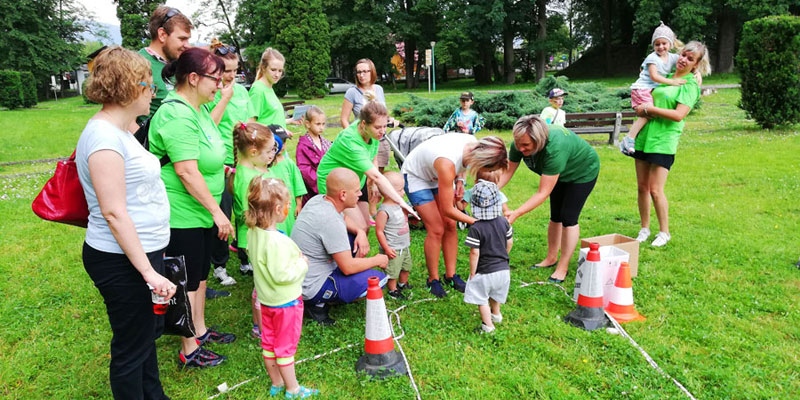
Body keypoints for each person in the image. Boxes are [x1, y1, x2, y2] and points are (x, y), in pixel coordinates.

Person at [76, 46, 174, 399]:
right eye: (151, 85)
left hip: (141, 253)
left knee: (144, 337)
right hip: (122, 261)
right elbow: (114, 212)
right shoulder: (103, 139)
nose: (155, 92)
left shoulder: (118, 130)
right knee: (131, 348)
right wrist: (148, 273)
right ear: (134, 87)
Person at [148, 47, 236, 368]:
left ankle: (199, 330)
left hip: (198, 210)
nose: (220, 83)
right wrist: (217, 211)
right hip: (182, 212)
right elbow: (186, 171)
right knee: (184, 280)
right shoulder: (176, 113)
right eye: (216, 78)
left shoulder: (197, 108)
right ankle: (189, 347)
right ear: (194, 78)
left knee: (199, 276)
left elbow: (206, 142)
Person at [401, 134, 508, 297]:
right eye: (490, 169)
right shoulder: (447, 163)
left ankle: (450, 275)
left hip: (439, 174)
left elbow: (463, 165)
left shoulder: (472, 146)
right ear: (482, 162)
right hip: (417, 176)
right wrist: (478, 222)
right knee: (436, 229)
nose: (489, 173)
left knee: (450, 225)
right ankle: (433, 279)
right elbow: (447, 209)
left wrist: (460, 181)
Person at [499, 116, 599, 284]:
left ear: (539, 142)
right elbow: (507, 172)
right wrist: (492, 188)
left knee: (568, 218)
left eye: (526, 146)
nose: (521, 149)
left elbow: (542, 193)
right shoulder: (519, 143)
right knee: (556, 216)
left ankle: (563, 266)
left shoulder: (555, 149)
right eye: (519, 144)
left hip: (582, 172)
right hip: (558, 174)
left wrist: (516, 213)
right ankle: (551, 258)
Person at [631, 40, 711, 247]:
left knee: (656, 190)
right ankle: (644, 228)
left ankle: (664, 232)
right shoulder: (664, 76)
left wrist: (649, 109)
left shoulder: (690, 85)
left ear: (696, 65)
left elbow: (678, 115)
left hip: (663, 141)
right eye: (683, 55)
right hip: (645, 137)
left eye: (690, 59)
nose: (684, 60)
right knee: (642, 187)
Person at [245, 177, 320, 399]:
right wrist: (302, 264)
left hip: (266, 301)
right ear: (278, 209)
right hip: (285, 303)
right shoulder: (276, 241)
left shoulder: (253, 233)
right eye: (288, 205)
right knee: (285, 347)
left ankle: (276, 383)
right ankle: (293, 389)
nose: (289, 208)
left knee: (268, 343)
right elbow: (282, 275)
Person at [317, 101, 417, 258]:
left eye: (385, 126)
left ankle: (353, 263)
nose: (383, 131)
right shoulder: (350, 141)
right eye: (378, 127)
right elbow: (377, 176)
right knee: (359, 228)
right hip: (335, 184)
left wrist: (372, 184)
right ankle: (348, 265)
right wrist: (402, 202)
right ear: (364, 124)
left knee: (366, 227)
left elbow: (373, 156)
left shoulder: (371, 132)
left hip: (355, 181)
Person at [292, 168, 390, 325]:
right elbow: (348, 267)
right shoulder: (331, 222)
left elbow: (343, 218)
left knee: (351, 238)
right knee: (377, 280)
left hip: (301, 272)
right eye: (357, 191)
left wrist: (360, 232)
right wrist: (378, 259)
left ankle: (330, 292)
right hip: (310, 285)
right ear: (343, 194)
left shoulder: (319, 200)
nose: (360, 194)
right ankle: (317, 304)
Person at [207, 39, 252, 287]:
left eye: (235, 70)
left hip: (244, 161)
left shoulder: (243, 91)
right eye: (226, 71)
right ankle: (220, 265)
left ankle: (246, 257)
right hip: (222, 163)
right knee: (222, 214)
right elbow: (209, 125)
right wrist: (224, 97)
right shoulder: (211, 94)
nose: (231, 76)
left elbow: (251, 121)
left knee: (246, 210)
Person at [229, 122, 277, 339]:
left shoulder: (253, 170)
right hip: (255, 238)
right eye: (269, 151)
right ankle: (260, 327)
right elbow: (245, 214)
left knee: (266, 280)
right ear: (254, 152)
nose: (272, 155)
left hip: (264, 234)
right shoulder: (246, 178)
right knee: (261, 284)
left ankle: (266, 320)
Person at [620, 22, 685, 155]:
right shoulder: (652, 58)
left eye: (664, 43)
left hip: (650, 89)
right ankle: (629, 138)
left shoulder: (672, 57)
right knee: (649, 113)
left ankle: (633, 138)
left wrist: (697, 72)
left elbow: (686, 62)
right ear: (653, 45)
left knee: (650, 114)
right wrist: (671, 82)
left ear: (670, 44)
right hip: (642, 89)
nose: (661, 47)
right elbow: (654, 76)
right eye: (657, 44)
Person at [464, 179, 513, 334]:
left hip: (485, 272)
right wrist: (504, 255)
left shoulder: (476, 228)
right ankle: (496, 314)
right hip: (504, 270)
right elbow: (509, 241)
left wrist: (473, 272)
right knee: (496, 293)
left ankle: (488, 325)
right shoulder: (504, 222)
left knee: (481, 299)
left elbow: (474, 252)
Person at [137, 5, 192, 123]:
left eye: (188, 39)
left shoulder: (180, 66)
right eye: (182, 39)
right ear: (162, 34)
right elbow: (126, 117)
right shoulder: (136, 64)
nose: (188, 45)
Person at [340, 58, 394, 173]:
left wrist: (389, 120)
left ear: (372, 72)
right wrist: (353, 137)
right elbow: (344, 119)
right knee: (364, 174)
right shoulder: (352, 92)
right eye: (359, 72)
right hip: (362, 139)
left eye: (365, 71)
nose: (361, 75)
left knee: (379, 174)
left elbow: (382, 113)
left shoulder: (378, 89)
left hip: (379, 137)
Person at [374, 171, 413, 300]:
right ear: (389, 192)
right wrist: (386, 248)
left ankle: (403, 283)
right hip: (393, 248)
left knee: (406, 266)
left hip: (404, 245)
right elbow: (379, 231)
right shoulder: (384, 211)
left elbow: (404, 221)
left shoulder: (400, 206)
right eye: (400, 190)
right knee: (393, 271)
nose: (403, 193)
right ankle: (393, 290)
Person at [268, 125, 307, 235]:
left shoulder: (288, 163)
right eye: (279, 142)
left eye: (284, 142)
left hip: (290, 207)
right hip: (273, 207)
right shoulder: (265, 165)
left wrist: (298, 204)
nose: (282, 146)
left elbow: (297, 183)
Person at [249, 47, 298, 128]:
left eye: (280, 71)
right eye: (273, 70)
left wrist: (289, 121)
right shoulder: (257, 90)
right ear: (263, 68)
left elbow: (270, 120)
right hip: (265, 140)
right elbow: (250, 124)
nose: (277, 75)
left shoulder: (269, 88)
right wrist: (277, 132)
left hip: (276, 140)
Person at [295, 106, 332, 205]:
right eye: (318, 124)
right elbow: (305, 169)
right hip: (313, 190)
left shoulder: (326, 143)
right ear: (307, 124)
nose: (321, 127)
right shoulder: (303, 145)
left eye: (323, 124)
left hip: (329, 185)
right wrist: (320, 185)